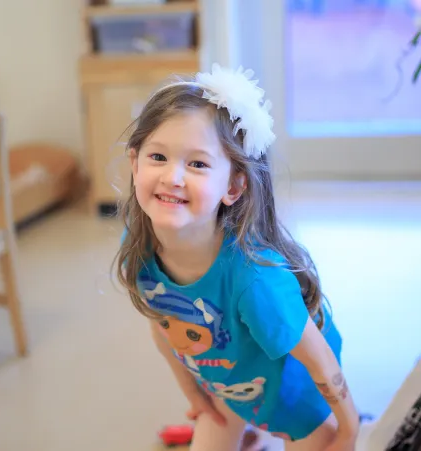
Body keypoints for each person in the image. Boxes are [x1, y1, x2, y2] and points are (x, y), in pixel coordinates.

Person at [112, 64, 360, 450]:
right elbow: (163, 329)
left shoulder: (257, 282)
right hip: (230, 393)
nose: (173, 177)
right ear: (135, 163)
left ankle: (265, 434)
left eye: (197, 164)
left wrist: (348, 430)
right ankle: (252, 432)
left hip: (297, 403)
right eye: (157, 156)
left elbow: (320, 363)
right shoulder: (138, 248)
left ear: (233, 186)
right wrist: (195, 398)